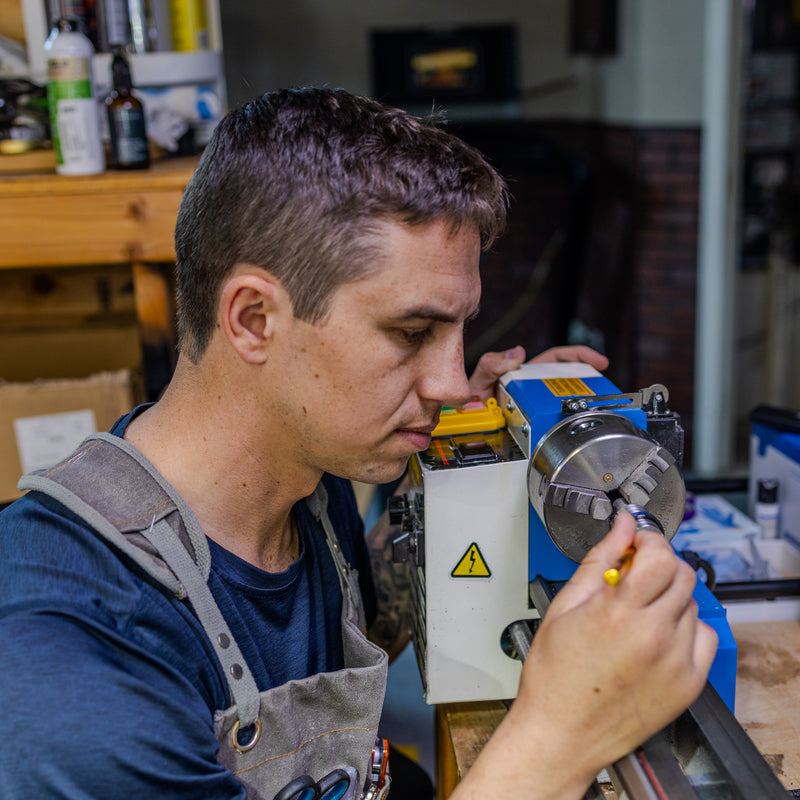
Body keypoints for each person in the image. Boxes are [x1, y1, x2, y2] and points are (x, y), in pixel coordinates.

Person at [0, 86, 716, 800]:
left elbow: (361, 630)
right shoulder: (68, 662)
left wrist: (464, 463)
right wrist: (560, 733)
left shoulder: (305, 478)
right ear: (253, 320)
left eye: (459, 331)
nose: (448, 381)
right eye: (412, 332)